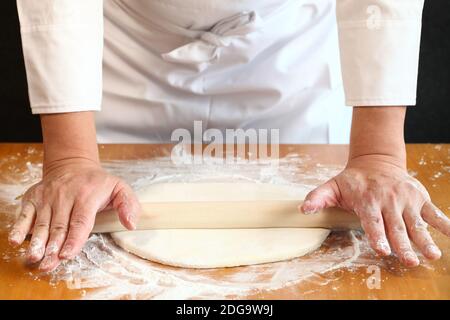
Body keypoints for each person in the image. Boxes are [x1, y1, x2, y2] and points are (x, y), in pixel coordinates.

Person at [8, 0, 450, 272]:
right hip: (130, 51)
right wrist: (71, 159)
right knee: (86, 211)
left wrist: (378, 155)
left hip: (287, 50)